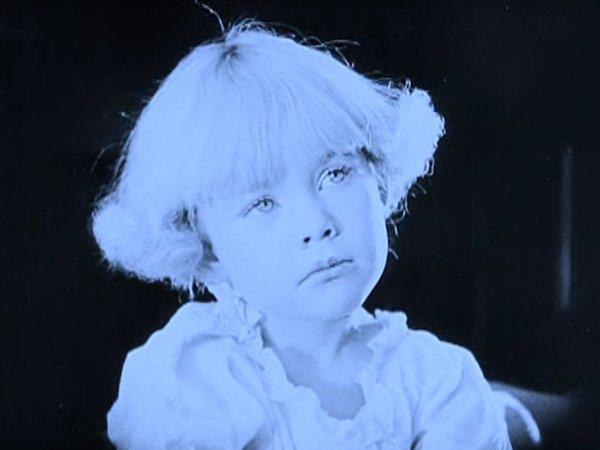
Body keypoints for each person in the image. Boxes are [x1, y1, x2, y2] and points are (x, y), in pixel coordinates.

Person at [91, 19, 536, 450]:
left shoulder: (436, 378)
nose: (316, 223)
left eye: (336, 173)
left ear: (379, 179)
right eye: (262, 203)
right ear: (207, 248)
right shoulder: (193, 374)